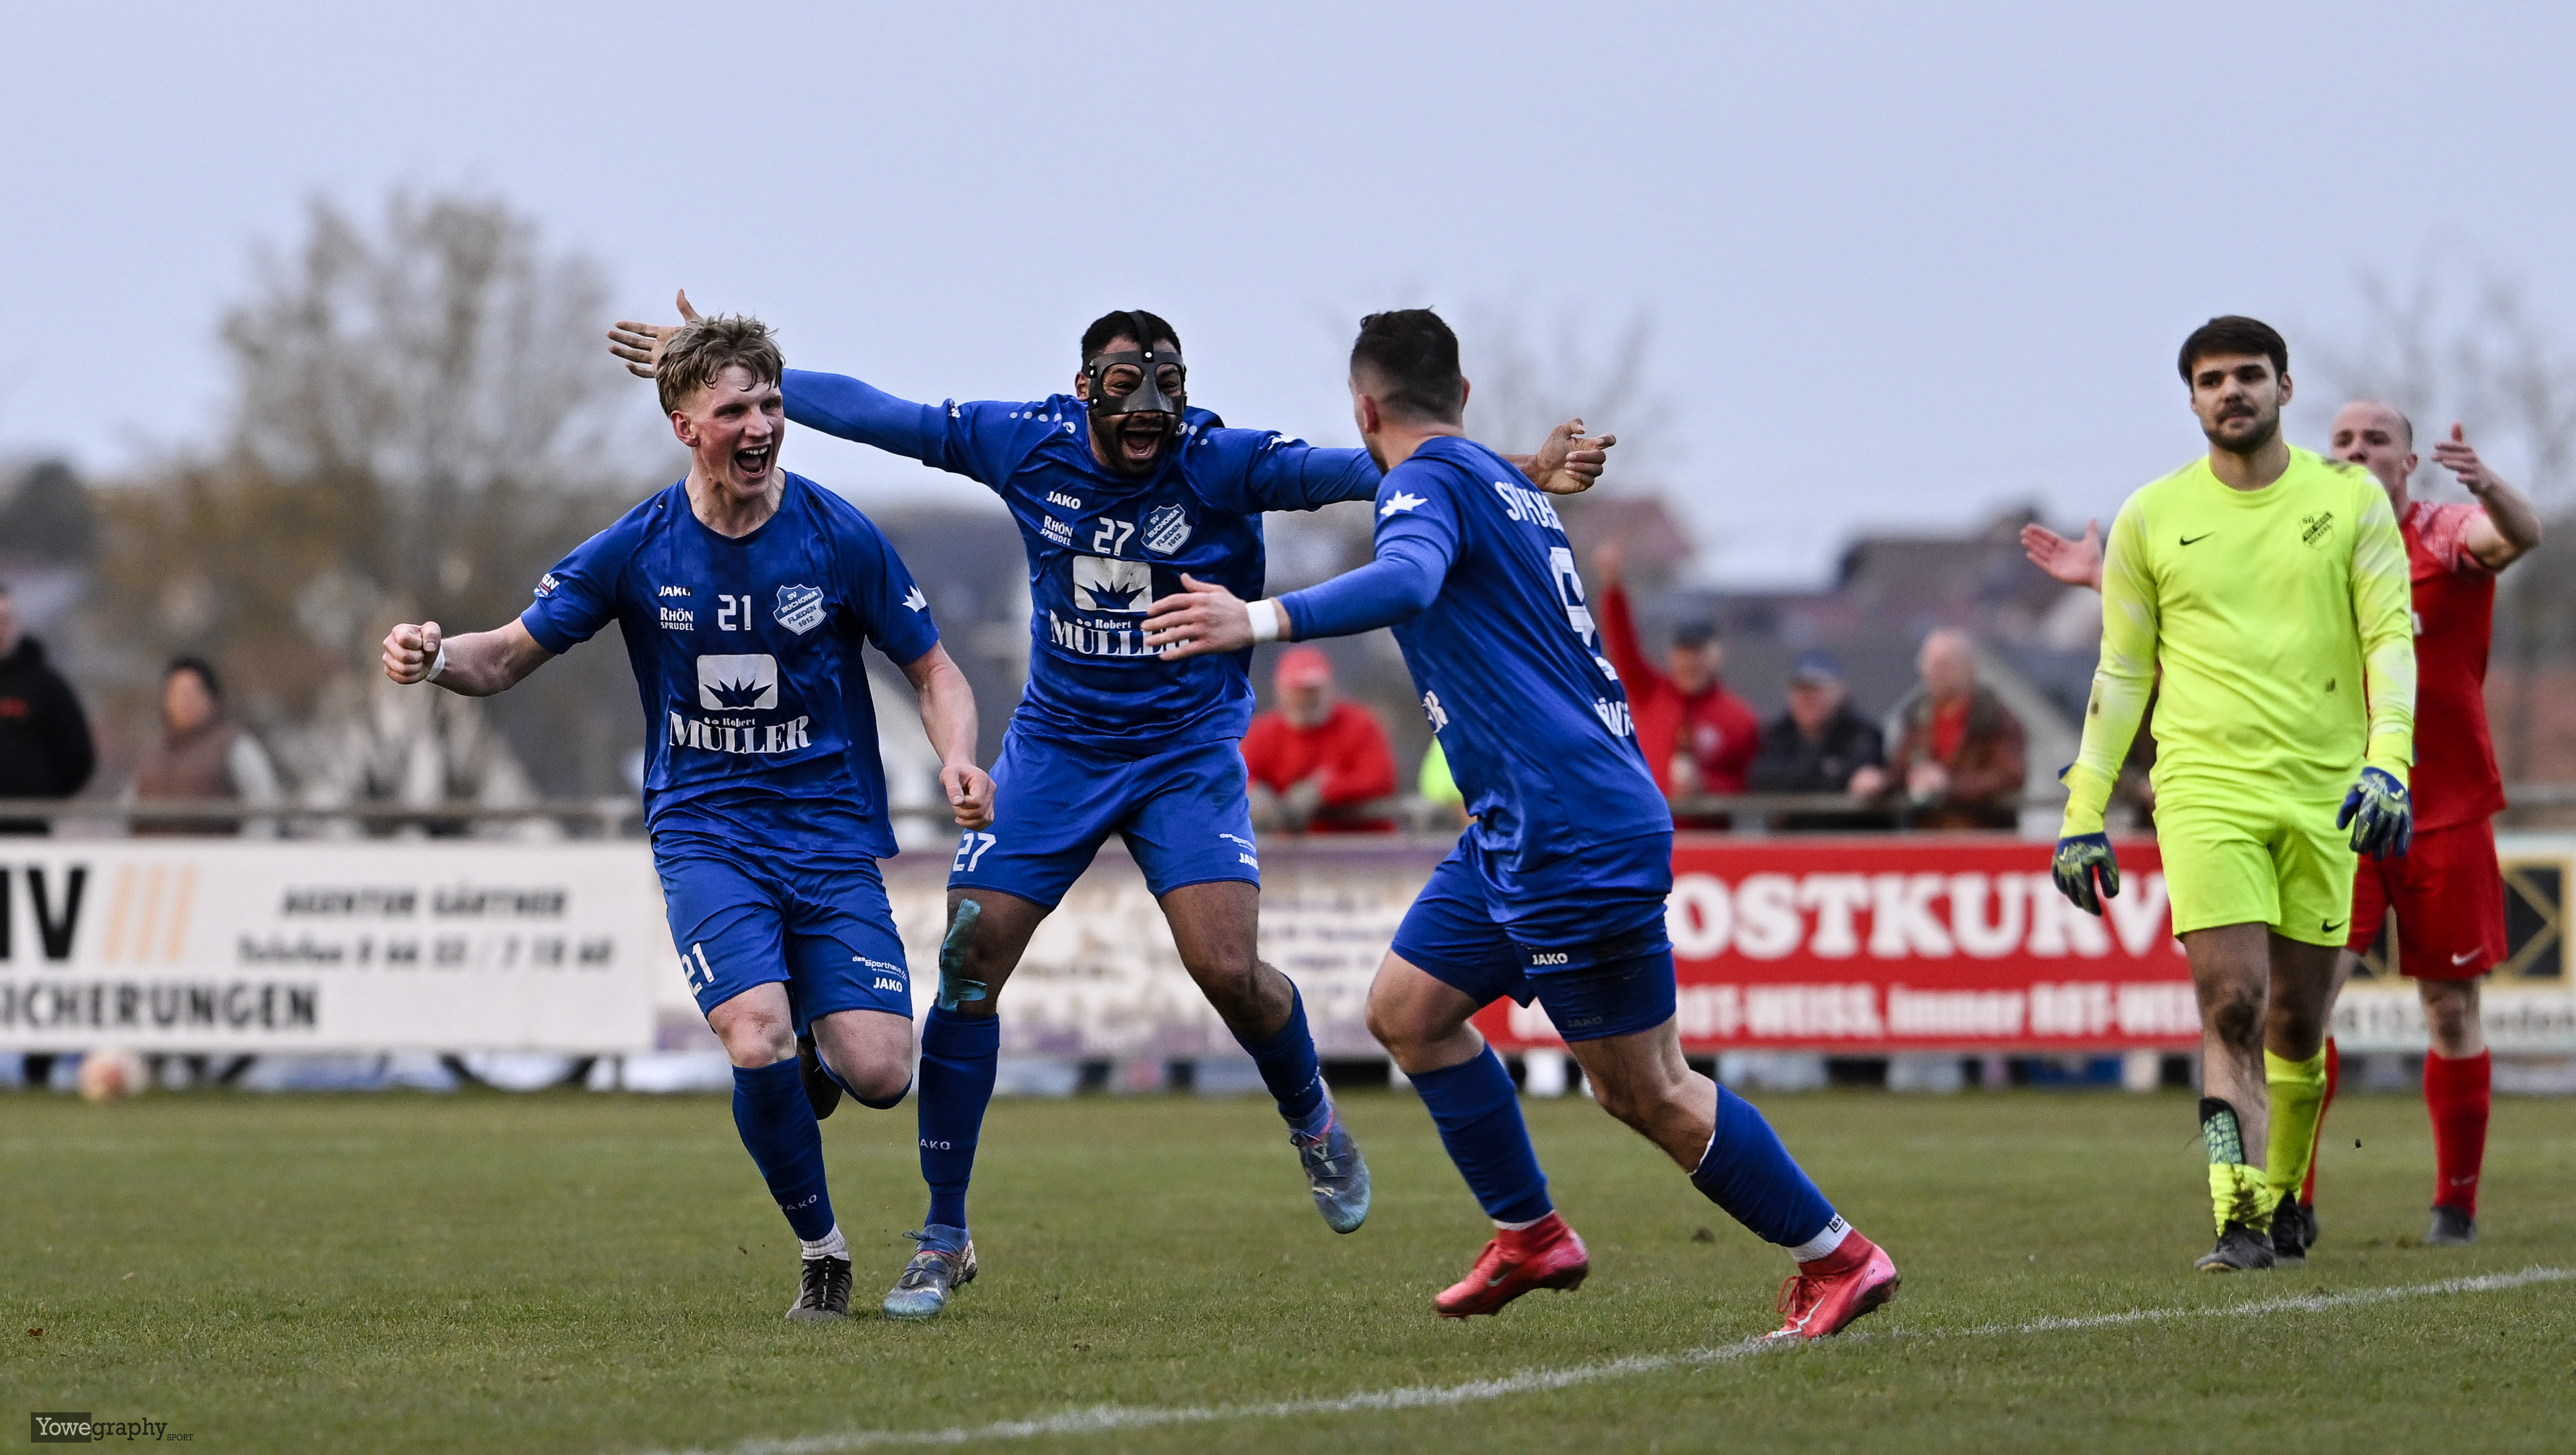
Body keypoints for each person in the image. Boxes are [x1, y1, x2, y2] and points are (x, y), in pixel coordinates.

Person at [607, 294, 1607, 1318]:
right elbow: (884, 415)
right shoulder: (1026, 443)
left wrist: (1515, 470)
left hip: (1185, 753)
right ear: (1086, 391)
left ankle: (1310, 1113)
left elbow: (1374, 465)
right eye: (1127, 394)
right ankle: (942, 1237)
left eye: (1166, 394)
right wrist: (724, 367)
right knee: (968, 960)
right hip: (1058, 748)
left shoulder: (1224, 460)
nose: (1149, 417)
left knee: (1225, 967)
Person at [1142, 309, 1898, 1339]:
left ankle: (1837, 1256)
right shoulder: (1495, 480)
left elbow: (1408, 578)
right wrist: (1529, 464)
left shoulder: (1421, 484)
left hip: (1565, 828)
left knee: (1645, 1089)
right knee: (1409, 1011)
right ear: (1460, 396)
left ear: (1362, 411)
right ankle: (1529, 1232)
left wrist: (1259, 617)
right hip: (1523, 821)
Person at [382, 314, 995, 1323]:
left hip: (830, 833)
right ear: (684, 427)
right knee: (752, 1037)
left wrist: (959, 756)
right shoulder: (639, 546)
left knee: (882, 1072)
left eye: (771, 405)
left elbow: (934, 670)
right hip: (707, 833)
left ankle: (816, 1052)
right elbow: (504, 657)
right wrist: (435, 655)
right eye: (735, 410)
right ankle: (823, 1252)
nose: (761, 427)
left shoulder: (837, 534)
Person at [2026, 403, 2538, 1253]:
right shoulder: (2297, 530)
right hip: (2327, 803)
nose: (2357, 451)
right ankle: (2279, 1201)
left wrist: (2489, 484)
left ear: (2408, 462)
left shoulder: (2441, 534)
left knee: (2449, 1008)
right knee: (2283, 1011)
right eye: (2342, 440)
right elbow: (2220, 614)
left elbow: (2518, 536)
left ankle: (2454, 1205)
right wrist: (2109, 577)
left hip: (2438, 807)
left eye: (2376, 440)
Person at [2044, 315, 2414, 1273]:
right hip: (2204, 789)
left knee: (2297, 1023)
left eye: (2248, 374)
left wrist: (2390, 762)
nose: (2230, 392)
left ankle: (2285, 1192)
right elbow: (2122, 672)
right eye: (2211, 380)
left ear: (2284, 388)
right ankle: (2236, 1212)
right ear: (2192, 399)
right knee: (2233, 1005)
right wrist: (2083, 811)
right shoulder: (2150, 515)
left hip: (2328, 794)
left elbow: (2388, 638)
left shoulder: (2350, 501)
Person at [1592, 541, 1760, 825]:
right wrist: (1612, 587)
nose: (1690, 663)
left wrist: (1707, 787)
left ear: (1716, 658)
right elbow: (1622, 645)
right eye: (1683, 654)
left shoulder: (1739, 719)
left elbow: (1752, 786)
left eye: (1698, 654)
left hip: (1709, 840)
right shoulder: (1651, 694)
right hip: (1648, 830)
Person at [1241, 645, 1398, 833]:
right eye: (1296, 691)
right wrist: (1252, 791)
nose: (1304, 699)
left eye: (1312, 690)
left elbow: (1380, 779)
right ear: (1280, 690)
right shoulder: (1263, 732)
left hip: (1363, 842)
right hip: (1290, 846)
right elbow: (1238, 774)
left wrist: (1326, 789)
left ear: (1330, 688)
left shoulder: (1360, 725)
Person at [1885, 629, 2026, 830]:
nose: (1934, 673)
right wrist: (1879, 782)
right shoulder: (1917, 717)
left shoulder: (1994, 718)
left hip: (1981, 834)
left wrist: (1951, 785)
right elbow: (1900, 769)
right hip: (1927, 833)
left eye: (1944, 665)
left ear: (1968, 669)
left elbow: (2010, 776)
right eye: (1928, 664)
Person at [129, 658, 284, 836]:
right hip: (155, 853)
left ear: (212, 697)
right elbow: (127, 810)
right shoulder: (153, 753)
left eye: (192, 693)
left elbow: (263, 809)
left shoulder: (235, 746)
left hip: (216, 852)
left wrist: (248, 851)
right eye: (176, 693)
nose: (184, 701)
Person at [1745, 651, 1888, 830]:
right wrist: (1830, 775)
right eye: (1800, 691)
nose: (1807, 700)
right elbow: (1762, 778)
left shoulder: (1862, 733)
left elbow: (1865, 776)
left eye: (1816, 691)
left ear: (1839, 692)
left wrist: (1799, 779)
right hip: (1794, 837)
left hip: (1850, 835)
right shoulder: (1779, 734)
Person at [0, 582, 96, 835]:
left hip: (28, 831)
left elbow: (77, 756)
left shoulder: (47, 687)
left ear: (17, 624)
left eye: (5, 620)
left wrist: (44, 799)